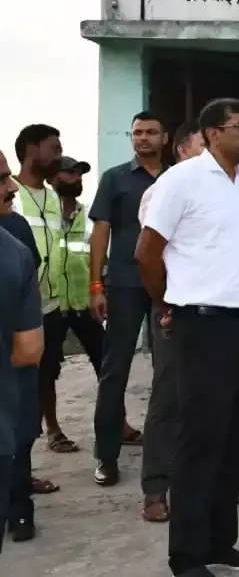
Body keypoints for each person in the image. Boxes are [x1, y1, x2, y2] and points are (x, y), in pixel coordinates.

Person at [136, 97, 239, 576]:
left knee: (235, 440)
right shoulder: (181, 181)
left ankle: (219, 542)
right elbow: (147, 253)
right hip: (200, 323)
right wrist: (166, 303)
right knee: (199, 441)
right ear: (212, 133)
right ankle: (186, 556)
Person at [42, 157, 140, 460]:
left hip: (85, 303)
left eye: (79, 173)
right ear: (53, 177)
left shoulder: (89, 216)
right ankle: (54, 430)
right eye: (69, 172)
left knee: (107, 366)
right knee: (47, 371)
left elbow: (101, 256)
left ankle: (119, 425)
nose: (76, 178)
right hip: (54, 304)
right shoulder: (44, 212)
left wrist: (102, 289)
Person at [89, 111, 167, 486]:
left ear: (164, 138)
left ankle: (166, 455)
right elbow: (100, 233)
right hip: (123, 285)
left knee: (168, 371)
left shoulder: (177, 178)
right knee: (114, 370)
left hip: (169, 285)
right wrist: (95, 285)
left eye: (151, 132)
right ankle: (106, 455)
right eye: (137, 132)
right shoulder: (115, 178)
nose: (143, 138)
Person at [137, 122, 205, 523]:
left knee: (209, 400)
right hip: (175, 309)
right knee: (170, 399)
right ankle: (155, 488)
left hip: (217, 311)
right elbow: (149, 254)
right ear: (182, 150)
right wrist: (163, 304)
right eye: (202, 146)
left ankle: (197, 484)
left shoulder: (228, 189)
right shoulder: (163, 190)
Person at [10, 124, 70, 504]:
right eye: (53, 148)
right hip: (16, 311)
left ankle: (23, 472)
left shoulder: (50, 197)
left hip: (48, 308)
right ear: (31, 150)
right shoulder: (12, 197)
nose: (59, 155)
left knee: (38, 387)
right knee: (16, 398)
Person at [0, 149, 44, 550]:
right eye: (1, 179)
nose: (11, 187)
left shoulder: (16, 236)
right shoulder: (12, 250)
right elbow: (29, 349)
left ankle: (21, 508)